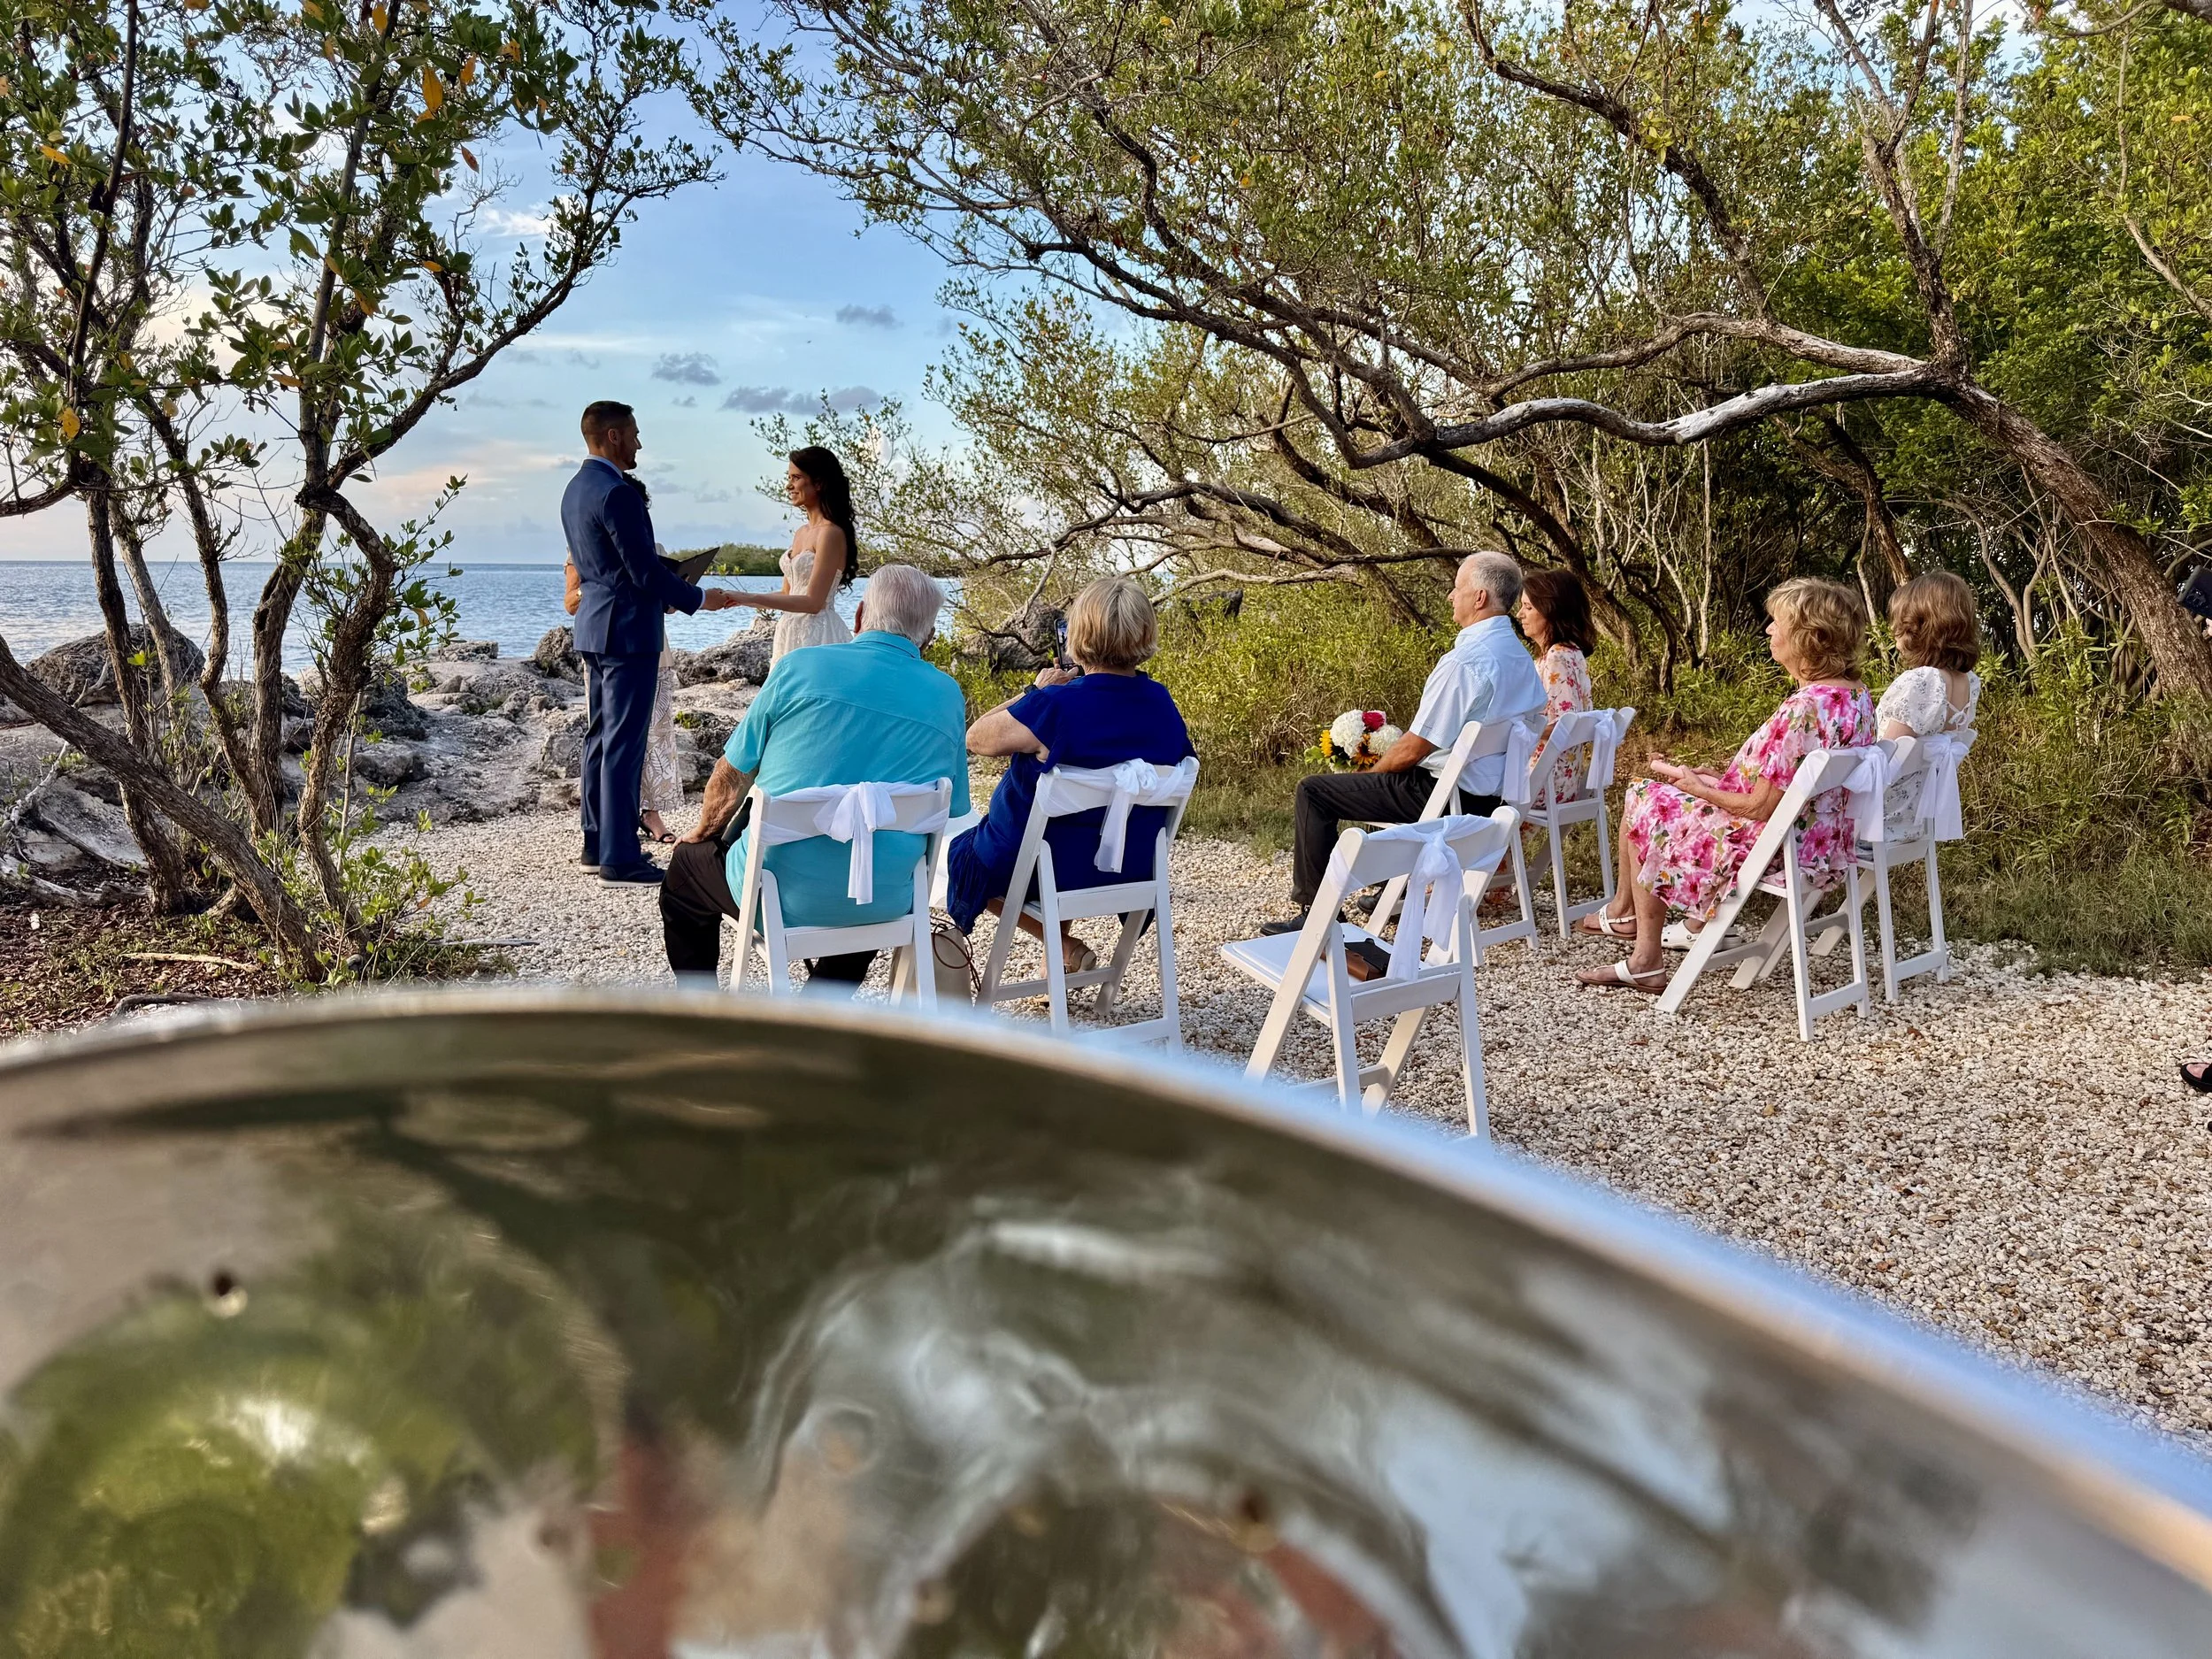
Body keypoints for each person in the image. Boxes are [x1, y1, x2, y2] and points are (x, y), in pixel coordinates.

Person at [659, 565, 969, 989]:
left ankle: (700, 1007)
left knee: (684, 868)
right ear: (928, 636)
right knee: (868, 870)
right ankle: (820, 1011)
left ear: (859, 616)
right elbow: (951, 807)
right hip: (886, 901)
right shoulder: (948, 694)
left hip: (780, 897)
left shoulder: (798, 667)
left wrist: (703, 833)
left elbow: (730, 777)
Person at [1575, 577, 1876, 990]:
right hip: (1819, 843)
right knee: (1660, 791)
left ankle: (1645, 954)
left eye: (1778, 623)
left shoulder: (1804, 708)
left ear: (1810, 637)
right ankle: (1643, 924)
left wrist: (1699, 789)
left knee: (1645, 798)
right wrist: (1714, 779)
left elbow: (1759, 808)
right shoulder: (1855, 698)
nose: (1769, 630)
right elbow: (1785, 785)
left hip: (1771, 845)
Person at [1259, 550, 1546, 936]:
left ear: (1479, 597)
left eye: (1457, 587)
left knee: (1314, 792)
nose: (1450, 596)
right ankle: (1387, 889)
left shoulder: (1467, 661)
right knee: (1380, 776)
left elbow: (1414, 749)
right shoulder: (1520, 657)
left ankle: (1316, 916)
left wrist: (1372, 775)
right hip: (1491, 799)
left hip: (1443, 796)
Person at [946, 577, 1195, 972]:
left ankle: (1058, 946)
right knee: (1060, 836)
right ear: (1145, 634)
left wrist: (1034, 690)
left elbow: (976, 738)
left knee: (963, 854)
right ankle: (1058, 957)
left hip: (1040, 867)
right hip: (1127, 870)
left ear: (1078, 634)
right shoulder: (1164, 705)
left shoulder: (1056, 705)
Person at [563, 402, 739, 884]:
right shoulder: (618, 493)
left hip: (596, 627)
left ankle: (596, 843)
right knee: (624, 744)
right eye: (635, 434)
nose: (640, 443)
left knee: (599, 739)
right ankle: (620, 857)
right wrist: (697, 596)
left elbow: (610, 569)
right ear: (614, 436)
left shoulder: (575, 490)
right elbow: (641, 570)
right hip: (627, 632)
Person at [565, 518, 684, 847]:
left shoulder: (652, 550)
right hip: (609, 646)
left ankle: (649, 813)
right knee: (611, 738)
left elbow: (667, 605)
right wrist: (603, 587)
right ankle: (609, 827)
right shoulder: (585, 549)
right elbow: (571, 603)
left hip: (652, 647)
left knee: (653, 737)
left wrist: (676, 587)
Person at [1875, 570, 1981, 835]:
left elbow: (1885, 759)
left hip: (1878, 820)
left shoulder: (1923, 681)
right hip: (1916, 820)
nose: (1893, 630)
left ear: (1921, 627)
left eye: (1901, 623)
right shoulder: (1969, 682)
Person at [728, 446, 858, 664]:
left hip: (818, 636)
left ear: (819, 483)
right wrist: (741, 599)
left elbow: (814, 603)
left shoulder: (831, 534)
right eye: (789, 477)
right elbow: (787, 594)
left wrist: (751, 597)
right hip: (788, 631)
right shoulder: (801, 533)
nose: (789, 485)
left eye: (796, 478)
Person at [1517, 568, 1596, 804]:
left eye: (1528, 607)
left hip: (1546, 779)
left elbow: (1564, 725)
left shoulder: (1557, 656)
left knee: (1472, 790)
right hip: (1562, 779)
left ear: (1552, 611)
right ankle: (1501, 843)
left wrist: (1514, 731)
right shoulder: (1571, 652)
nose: (1520, 614)